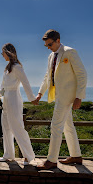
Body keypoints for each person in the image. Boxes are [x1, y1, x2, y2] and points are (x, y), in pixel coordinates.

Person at [34, 29, 87, 170]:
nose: (48, 48)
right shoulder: (51, 56)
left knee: (55, 126)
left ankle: (51, 160)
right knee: (67, 126)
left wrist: (79, 97)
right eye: (46, 46)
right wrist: (40, 93)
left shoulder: (70, 52)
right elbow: (48, 76)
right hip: (58, 95)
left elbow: (82, 74)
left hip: (67, 96)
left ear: (58, 40)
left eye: (50, 44)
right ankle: (76, 155)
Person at [0, 43, 37, 165]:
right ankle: (8, 154)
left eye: (2, 53)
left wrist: (32, 98)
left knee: (17, 127)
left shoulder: (17, 67)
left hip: (14, 99)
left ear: (8, 52)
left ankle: (28, 156)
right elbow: (3, 86)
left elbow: (25, 83)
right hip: (5, 100)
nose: (2, 55)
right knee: (6, 127)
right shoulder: (7, 68)